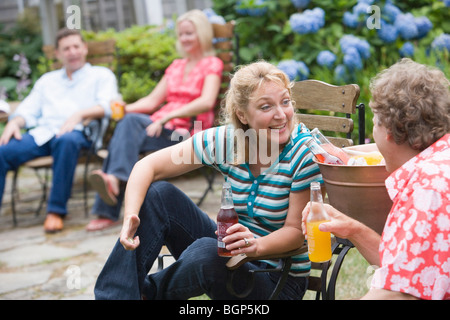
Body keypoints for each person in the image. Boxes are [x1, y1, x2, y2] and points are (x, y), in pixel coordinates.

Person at [94, 61, 324, 300]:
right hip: (232, 254)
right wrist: (128, 222)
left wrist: (255, 247)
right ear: (242, 115)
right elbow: (147, 166)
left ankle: (145, 294)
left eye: (285, 102)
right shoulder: (228, 141)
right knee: (160, 195)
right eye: (266, 107)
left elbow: (296, 232)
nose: (281, 115)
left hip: (278, 279)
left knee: (208, 251)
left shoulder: (304, 154)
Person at [302, 58, 450, 300]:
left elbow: (401, 294)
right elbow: (411, 268)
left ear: (389, 130)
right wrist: (353, 229)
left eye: (375, 122)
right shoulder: (438, 165)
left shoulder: (426, 188)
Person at [85, 9, 224, 231]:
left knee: (127, 130)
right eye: (181, 34)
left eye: (190, 33)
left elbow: (207, 101)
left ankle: (108, 204)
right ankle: (112, 182)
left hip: (186, 133)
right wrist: (122, 109)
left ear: (203, 33)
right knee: (127, 122)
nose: (184, 38)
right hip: (160, 129)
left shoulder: (212, 64)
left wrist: (169, 115)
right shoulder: (177, 65)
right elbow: (151, 101)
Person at [0, 28, 118, 233]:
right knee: (2, 151)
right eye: (66, 48)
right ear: (58, 54)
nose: (72, 52)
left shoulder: (101, 75)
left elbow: (109, 106)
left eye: (76, 47)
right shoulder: (47, 81)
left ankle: (56, 211)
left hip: (80, 134)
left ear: (85, 49)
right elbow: (28, 110)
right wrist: (14, 121)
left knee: (66, 141)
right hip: (44, 135)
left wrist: (79, 115)